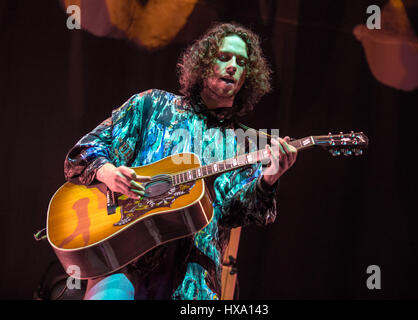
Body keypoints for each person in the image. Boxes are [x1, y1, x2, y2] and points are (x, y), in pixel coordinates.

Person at [64, 22, 298, 300]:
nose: (233, 66)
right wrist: (108, 172)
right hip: (125, 258)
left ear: (248, 76)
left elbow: (239, 213)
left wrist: (269, 180)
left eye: (241, 62)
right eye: (224, 57)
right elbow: (83, 151)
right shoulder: (152, 105)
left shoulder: (250, 143)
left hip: (193, 277)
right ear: (203, 62)